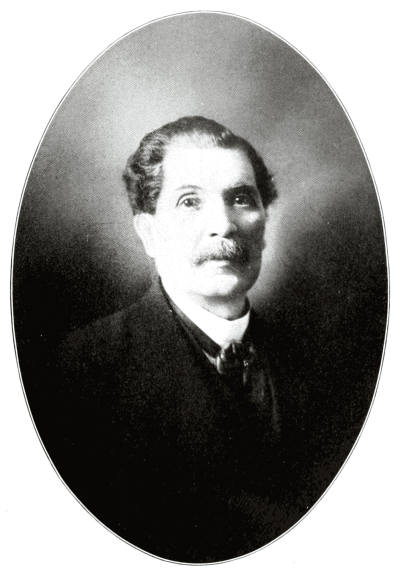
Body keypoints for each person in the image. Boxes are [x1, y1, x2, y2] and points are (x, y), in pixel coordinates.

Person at [41, 117, 307, 563]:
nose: (224, 225)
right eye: (189, 202)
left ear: (264, 223)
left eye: (241, 198)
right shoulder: (81, 369)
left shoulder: (321, 361)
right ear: (148, 232)